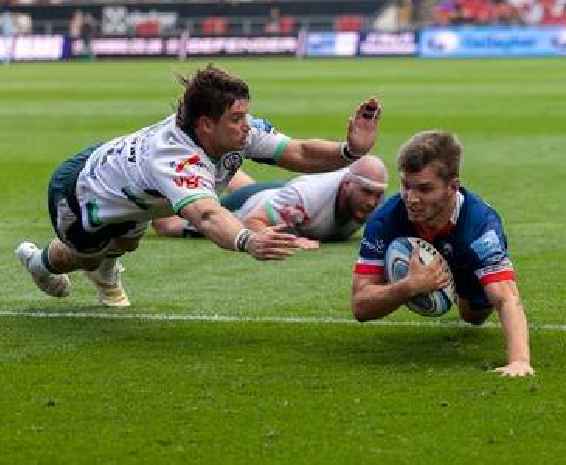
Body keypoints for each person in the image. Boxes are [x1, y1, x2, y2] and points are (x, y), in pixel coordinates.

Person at [16, 64, 381, 308]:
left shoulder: (237, 133)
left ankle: (105, 269)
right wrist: (249, 240)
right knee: (85, 255)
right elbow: (206, 215)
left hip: (133, 188)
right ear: (206, 125)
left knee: (127, 241)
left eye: (245, 115)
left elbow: (298, 151)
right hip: (81, 191)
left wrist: (349, 151)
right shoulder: (176, 159)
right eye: (236, 118)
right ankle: (38, 262)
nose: (246, 126)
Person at [351, 131, 534, 377]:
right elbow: (360, 307)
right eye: (406, 186)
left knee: (472, 316)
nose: (412, 199)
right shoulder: (385, 220)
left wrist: (519, 361)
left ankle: (465, 289)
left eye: (425, 189)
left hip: (465, 260)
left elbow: (506, 297)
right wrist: (409, 286)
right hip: (416, 273)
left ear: (452, 187)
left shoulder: (480, 225)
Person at [151, 156, 388, 250]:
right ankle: (164, 175)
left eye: (377, 195)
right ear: (347, 185)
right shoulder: (308, 196)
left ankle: (222, 166)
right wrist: (293, 241)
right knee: (166, 226)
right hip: (246, 207)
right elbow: (254, 221)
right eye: (366, 193)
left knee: (259, 193)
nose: (372, 202)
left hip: (277, 195)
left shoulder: (375, 198)